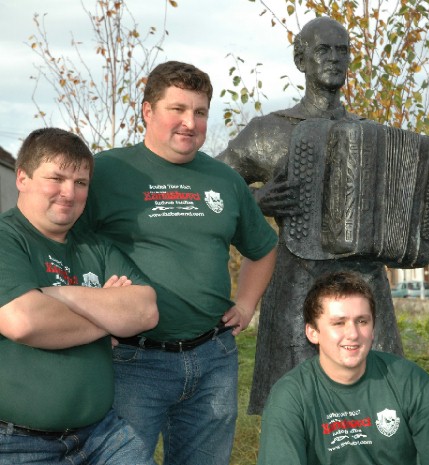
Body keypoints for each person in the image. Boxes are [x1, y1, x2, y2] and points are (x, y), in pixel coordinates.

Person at [217, 16, 429, 414]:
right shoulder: (267, 132)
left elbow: (408, 216)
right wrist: (256, 200)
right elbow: (211, 188)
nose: (334, 58)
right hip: (296, 285)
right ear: (301, 60)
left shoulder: (376, 137)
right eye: (323, 50)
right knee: (296, 409)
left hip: (366, 287)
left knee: (378, 405)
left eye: (342, 51)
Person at [81, 61, 278, 465]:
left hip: (213, 360)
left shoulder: (225, 180)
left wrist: (245, 305)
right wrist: (90, 318)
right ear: (147, 111)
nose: (190, 122)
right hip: (132, 360)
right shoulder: (106, 172)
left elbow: (263, 248)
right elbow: (67, 246)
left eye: (200, 112)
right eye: (178, 109)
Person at [0, 128, 159, 465]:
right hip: (17, 444)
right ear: (23, 178)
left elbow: (145, 311)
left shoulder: (95, 246)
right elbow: (23, 321)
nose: (69, 193)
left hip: (103, 435)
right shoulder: (7, 238)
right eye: (56, 178)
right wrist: (109, 316)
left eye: (81, 182)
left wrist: (54, 295)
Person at [257, 271, 429, 465]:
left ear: (373, 328)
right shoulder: (289, 397)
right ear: (313, 332)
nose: (353, 334)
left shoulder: (411, 382)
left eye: (362, 321)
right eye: (339, 323)